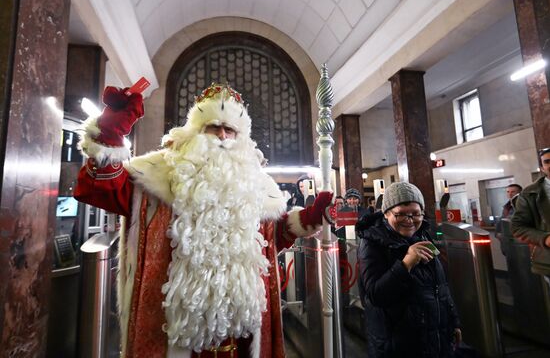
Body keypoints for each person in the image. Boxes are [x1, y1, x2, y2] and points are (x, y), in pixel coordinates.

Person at [74, 83, 332, 358]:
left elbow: (269, 238)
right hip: (172, 331)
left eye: (230, 130)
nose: (222, 136)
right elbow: (99, 188)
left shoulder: (254, 186)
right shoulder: (158, 177)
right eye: (213, 127)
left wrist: (307, 218)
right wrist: (111, 131)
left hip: (240, 333)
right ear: (195, 132)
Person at [357, 182, 461, 358]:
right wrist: (406, 263)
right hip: (397, 344)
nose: (410, 220)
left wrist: (453, 322)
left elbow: (440, 286)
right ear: (386, 213)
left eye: (415, 214)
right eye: (401, 214)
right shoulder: (372, 243)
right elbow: (376, 295)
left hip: (434, 337)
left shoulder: (423, 235)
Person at [511, 147, 550, 286]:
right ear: (542, 167)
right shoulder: (530, 194)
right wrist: (545, 239)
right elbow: (517, 227)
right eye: (547, 162)